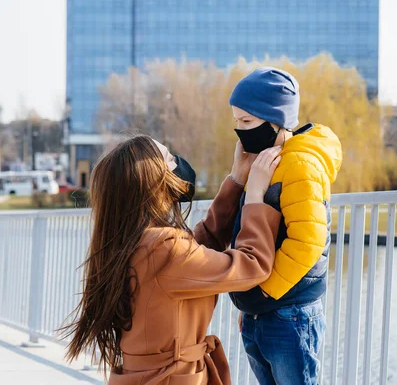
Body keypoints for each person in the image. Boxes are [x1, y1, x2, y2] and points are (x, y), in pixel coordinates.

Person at [62, 135, 283, 384]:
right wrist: (255, 195)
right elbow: (252, 265)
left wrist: (236, 179)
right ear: (153, 180)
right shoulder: (162, 248)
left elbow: (197, 251)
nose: (178, 164)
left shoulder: (130, 242)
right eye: (169, 158)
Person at [228, 67, 343, 384]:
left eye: (247, 121)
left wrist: (263, 293)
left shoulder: (298, 163)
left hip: (288, 312)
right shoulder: (264, 161)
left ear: (276, 119)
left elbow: (307, 242)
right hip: (264, 311)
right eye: (236, 121)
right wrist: (250, 303)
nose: (239, 130)